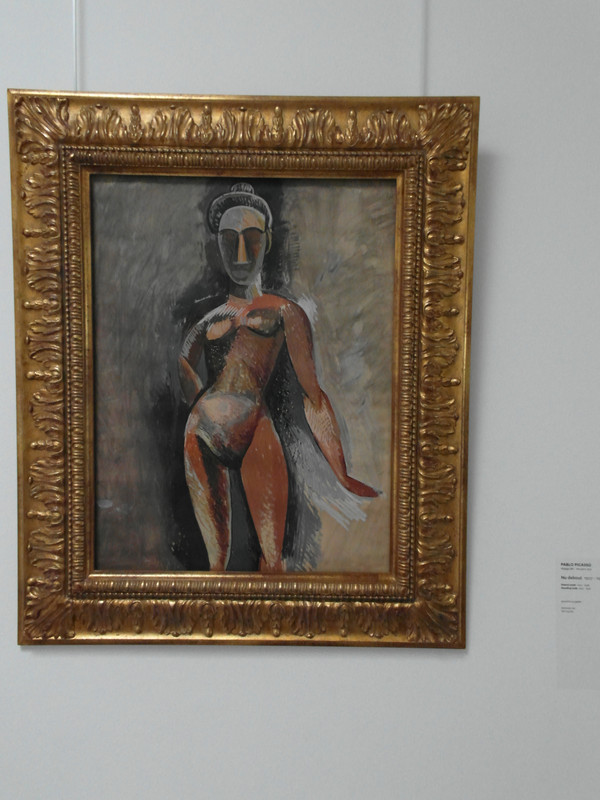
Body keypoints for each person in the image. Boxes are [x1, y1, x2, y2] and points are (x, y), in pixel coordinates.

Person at [179, 183, 376, 573]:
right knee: (216, 567)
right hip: (200, 435)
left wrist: (341, 472)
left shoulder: (285, 312)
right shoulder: (208, 320)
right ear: (217, 246)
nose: (241, 253)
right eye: (230, 240)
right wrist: (201, 404)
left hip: (256, 429)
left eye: (251, 239)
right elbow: (184, 361)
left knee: (273, 562)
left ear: (267, 242)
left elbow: (313, 396)